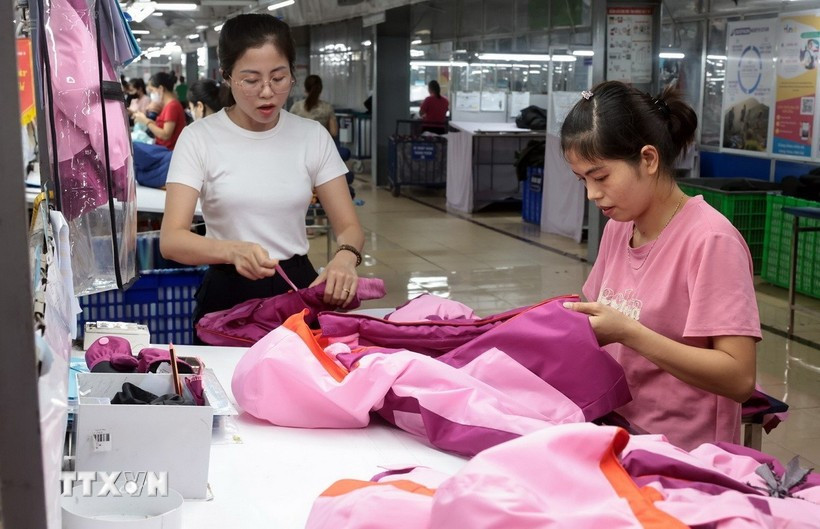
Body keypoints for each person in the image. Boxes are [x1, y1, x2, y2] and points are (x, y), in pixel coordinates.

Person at [560, 81, 760, 451]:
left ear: (648, 159)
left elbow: (738, 378)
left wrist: (629, 332)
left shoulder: (710, 240)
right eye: (582, 180)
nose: (592, 194)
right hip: (620, 432)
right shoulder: (618, 230)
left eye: (600, 177)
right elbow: (595, 323)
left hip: (686, 455)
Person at [160, 14, 364, 342]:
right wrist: (231, 251)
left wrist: (344, 257)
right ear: (226, 76)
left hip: (296, 288)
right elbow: (172, 240)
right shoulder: (199, 138)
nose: (267, 92)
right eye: (251, 80)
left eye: (279, 78)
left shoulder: (311, 136)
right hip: (228, 294)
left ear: (292, 75)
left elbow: (349, 226)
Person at [133, 72, 187, 150]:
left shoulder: (172, 106)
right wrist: (144, 119)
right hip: (162, 148)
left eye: (152, 91)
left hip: (166, 152)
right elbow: (161, 126)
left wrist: (145, 121)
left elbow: (165, 135)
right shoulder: (168, 105)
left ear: (161, 89)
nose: (152, 94)